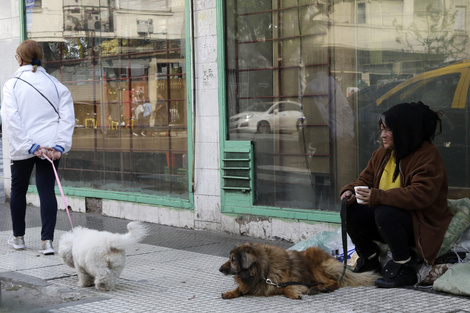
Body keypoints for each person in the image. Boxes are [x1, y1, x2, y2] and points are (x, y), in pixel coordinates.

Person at [339, 101, 453, 288]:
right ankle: (370, 259)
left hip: (420, 223)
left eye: (388, 130)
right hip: (389, 223)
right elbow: (364, 181)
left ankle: (404, 267)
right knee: (351, 209)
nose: (382, 135)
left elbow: (421, 194)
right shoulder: (382, 154)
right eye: (381, 129)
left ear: (404, 130)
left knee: (385, 211)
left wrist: (378, 196)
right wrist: (350, 191)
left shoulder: (427, 155)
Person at [1, 40, 75, 255]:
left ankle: (18, 238)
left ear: (19, 58)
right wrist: (60, 145)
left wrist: (29, 146)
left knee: (18, 190)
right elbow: (67, 118)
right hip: (51, 147)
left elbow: (11, 119)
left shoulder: (12, 84)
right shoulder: (56, 84)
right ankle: (47, 242)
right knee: (46, 191)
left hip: (23, 147)